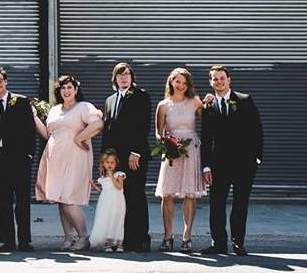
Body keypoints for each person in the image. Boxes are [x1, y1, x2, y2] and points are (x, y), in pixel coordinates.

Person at [34, 74, 104, 251]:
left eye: (69, 87)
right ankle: (68, 237)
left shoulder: (84, 107)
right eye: (63, 88)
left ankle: (83, 236)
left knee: (68, 197)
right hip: (54, 156)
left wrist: (80, 138)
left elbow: (97, 125)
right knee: (59, 197)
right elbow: (48, 134)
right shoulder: (55, 109)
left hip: (75, 156)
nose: (66, 91)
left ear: (76, 90)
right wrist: (34, 116)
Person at [200, 65, 264, 256]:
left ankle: (238, 243)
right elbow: (206, 138)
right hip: (218, 165)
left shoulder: (245, 100)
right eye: (215, 79)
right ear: (210, 82)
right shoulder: (208, 105)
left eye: (222, 78)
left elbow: (257, 130)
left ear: (229, 80)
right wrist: (205, 166)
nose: (219, 82)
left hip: (244, 164)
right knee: (216, 204)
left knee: (240, 204)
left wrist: (257, 158)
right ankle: (218, 243)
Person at [0, 67, 37, 253]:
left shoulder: (20, 101)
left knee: (22, 201)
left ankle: (25, 240)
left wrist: (29, 155)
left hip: (19, 158)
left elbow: (30, 130)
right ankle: (8, 241)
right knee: (1, 201)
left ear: (6, 81)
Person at [101, 62, 152, 252]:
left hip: (134, 156)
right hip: (116, 158)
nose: (123, 78)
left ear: (132, 77)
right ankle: (123, 238)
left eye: (127, 74)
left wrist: (136, 152)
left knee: (136, 196)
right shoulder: (110, 100)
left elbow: (143, 125)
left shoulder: (141, 96)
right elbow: (108, 132)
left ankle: (140, 240)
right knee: (119, 199)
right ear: (115, 79)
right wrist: (105, 161)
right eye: (120, 75)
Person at [154, 67, 205, 253]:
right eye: (178, 81)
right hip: (171, 151)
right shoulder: (163, 105)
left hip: (191, 149)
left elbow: (209, 121)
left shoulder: (195, 102)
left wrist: (209, 101)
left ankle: (187, 237)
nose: (181, 85)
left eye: (184, 82)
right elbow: (158, 134)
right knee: (167, 194)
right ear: (171, 82)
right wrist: (168, 144)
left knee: (189, 194)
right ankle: (167, 237)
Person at [89, 150, 127, 252]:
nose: (110, 165)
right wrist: (93, 186)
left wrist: (111, 176)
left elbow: (119, 187)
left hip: (117, 201)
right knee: (107, 220)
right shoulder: (103, 178)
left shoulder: (119, 175)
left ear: (116, 164)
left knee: (117, 219)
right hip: (105, 201)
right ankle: (108, 242)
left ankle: (119, 243)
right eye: (107, 162)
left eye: (112, 162)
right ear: (103, 164)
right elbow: (103, 190)